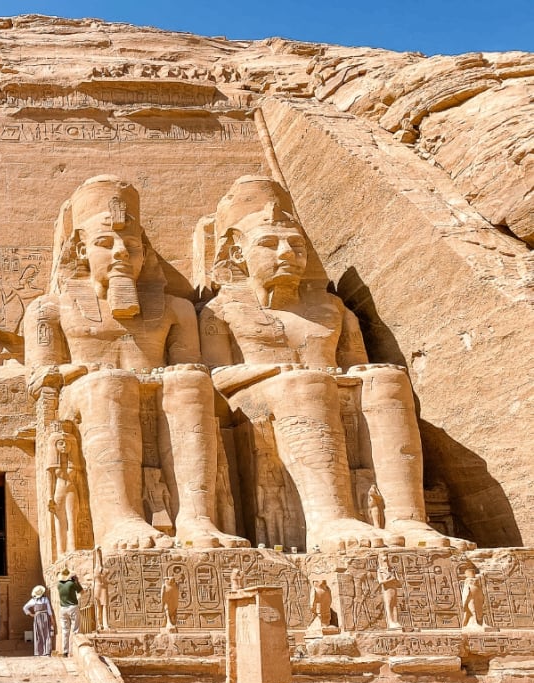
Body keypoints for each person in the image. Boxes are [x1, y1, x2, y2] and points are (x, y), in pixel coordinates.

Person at [199, 175, 472, 552]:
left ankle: (407, 519)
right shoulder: (222, 309)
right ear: (236, 254)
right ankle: (330, 519)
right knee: (307, 384)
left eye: (296, 245)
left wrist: (357, 374)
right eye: (268, 244)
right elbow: (215, 375)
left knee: (387, 379)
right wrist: (279, 372)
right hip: (256, 404)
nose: (286, 254)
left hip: (322, 390)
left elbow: (356, 366)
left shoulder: (332, 309)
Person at [26, 175, 246, 551]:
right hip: (87, 399)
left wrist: (177, 373)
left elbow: (192, 367)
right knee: (111, 384)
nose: (120, 253)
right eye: (104, 243)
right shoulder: (50, 310)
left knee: (191, 385)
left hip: (156, 393)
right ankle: (119, 520)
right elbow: (39, 379)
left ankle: (196, 518)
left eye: (131, 244)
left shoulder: (175, 309)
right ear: (80, 251)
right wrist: (79, 371)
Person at [56, 568, 83, 656]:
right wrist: (77, 581)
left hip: (63, 609)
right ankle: (73, 652)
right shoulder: (72, 584)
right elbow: (82, 592)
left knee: (65, 631)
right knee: (75, 630)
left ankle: (65, 651)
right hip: (72, 608)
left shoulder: (59, 585)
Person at [23, 585, 55, 656]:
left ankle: (39, 651)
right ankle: (47, 651)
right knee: (46, 633)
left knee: (38, 633)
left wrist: (31, 614)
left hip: (37, 617)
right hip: (45, 616)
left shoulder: (33, 600)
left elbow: (25, 607)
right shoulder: (45, 599)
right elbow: (49, 610)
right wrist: (52, 619)